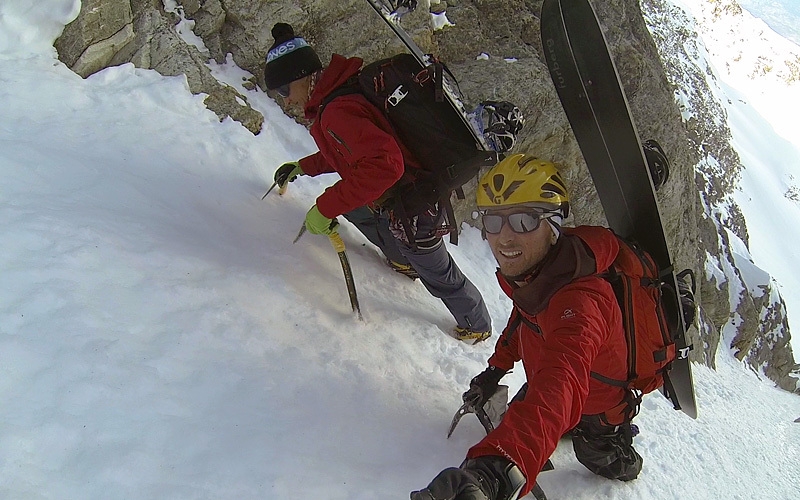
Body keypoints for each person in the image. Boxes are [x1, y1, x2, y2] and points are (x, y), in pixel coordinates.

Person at [411, 154, 644, 500]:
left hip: (596, 401)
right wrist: (495, 369)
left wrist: (494, 473)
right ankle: (563, 429)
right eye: (493, 221)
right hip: (548, 381)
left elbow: (562, 384)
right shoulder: (536, 276)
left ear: (553, 228)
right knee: (527, 417)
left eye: (523, 220)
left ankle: (619, 444)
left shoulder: (581, 299)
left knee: (599, 458)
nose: (504, 238)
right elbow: (521, 324)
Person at [264, 22, 492, 342]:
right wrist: (302, 167)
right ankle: (402, 261)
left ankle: (477, 323)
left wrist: (325, 205)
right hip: (397, 201)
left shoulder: (336, 110)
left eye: (284, 90)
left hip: (415, 205)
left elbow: (385, 166)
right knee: (355, 208)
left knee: (437, 272)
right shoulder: (336, 97)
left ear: (301, 76)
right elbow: (348, 153)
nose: (285, 101)